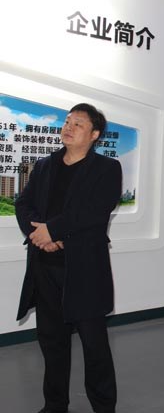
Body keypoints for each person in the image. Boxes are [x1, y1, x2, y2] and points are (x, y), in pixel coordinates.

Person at [15, 103, 122, 413]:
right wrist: (38, 235)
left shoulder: (107, 169)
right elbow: (23, 205)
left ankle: (104, 407)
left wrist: (52, 230)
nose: (69, 127)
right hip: (45, 268)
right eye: (67, 122)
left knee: (94, 346)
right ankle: (54, 405)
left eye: (78, 124)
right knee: (52, 343)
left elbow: (95, 211)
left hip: (84, 271)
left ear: (95, 134)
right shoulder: (44, 166)